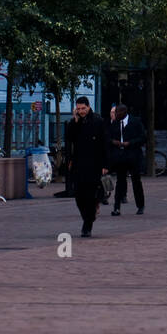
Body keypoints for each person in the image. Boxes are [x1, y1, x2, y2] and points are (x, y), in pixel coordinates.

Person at [64, 97, 107, 237]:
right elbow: (69, 139)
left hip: (94, 164)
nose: (81, 111)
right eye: (79, 109)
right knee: (78, 196)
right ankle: (88, 216)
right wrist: (75, 121)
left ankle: (87, 225)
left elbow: (104, 144)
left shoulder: (98, 121)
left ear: (89, 107)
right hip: (78, 164)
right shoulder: (74, 122)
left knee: (90, 195)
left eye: (83, 108)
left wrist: (105, 165)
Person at [107, 104, 146, 216]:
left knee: (136, 181)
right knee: (120, 181)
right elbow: (108, 137)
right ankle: (117, 207)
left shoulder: (135, 122)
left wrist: (130, 143)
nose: (115, 115)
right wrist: (114, 142)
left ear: (124, 112)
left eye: (117, 113)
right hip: (120, 156)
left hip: (133, 155)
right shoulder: (115, 123)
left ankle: (140, 205)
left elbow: (142, 137)